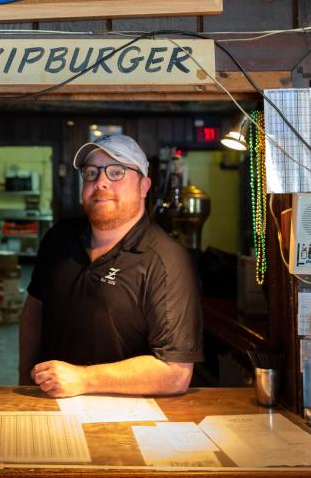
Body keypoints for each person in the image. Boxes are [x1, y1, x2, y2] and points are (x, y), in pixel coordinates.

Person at [19, 134, 204, 398]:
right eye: (91, 172)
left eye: (116, 172)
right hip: (50, 403)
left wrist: (83, 379)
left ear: (144, 186)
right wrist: (24, 376)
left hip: (128, 418)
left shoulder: (165, 260)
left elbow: (175, 373)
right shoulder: (58, 238)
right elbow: (34, 310)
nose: (101, 182)